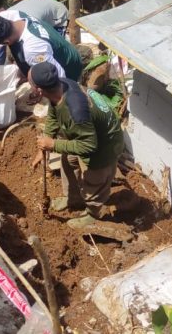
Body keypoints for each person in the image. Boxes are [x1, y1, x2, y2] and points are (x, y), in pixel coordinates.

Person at [30, 61, 124, 229]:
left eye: (30, 83)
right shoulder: (62, 85)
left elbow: (89, 146)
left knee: (94, 183)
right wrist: (44, 145)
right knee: (69, 161)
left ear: (39, 90)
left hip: (105, 147)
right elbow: (53, 112)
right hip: (88, 134)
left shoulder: (76, 112)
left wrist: (53, 144)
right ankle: (72, 197)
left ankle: (92, 213)